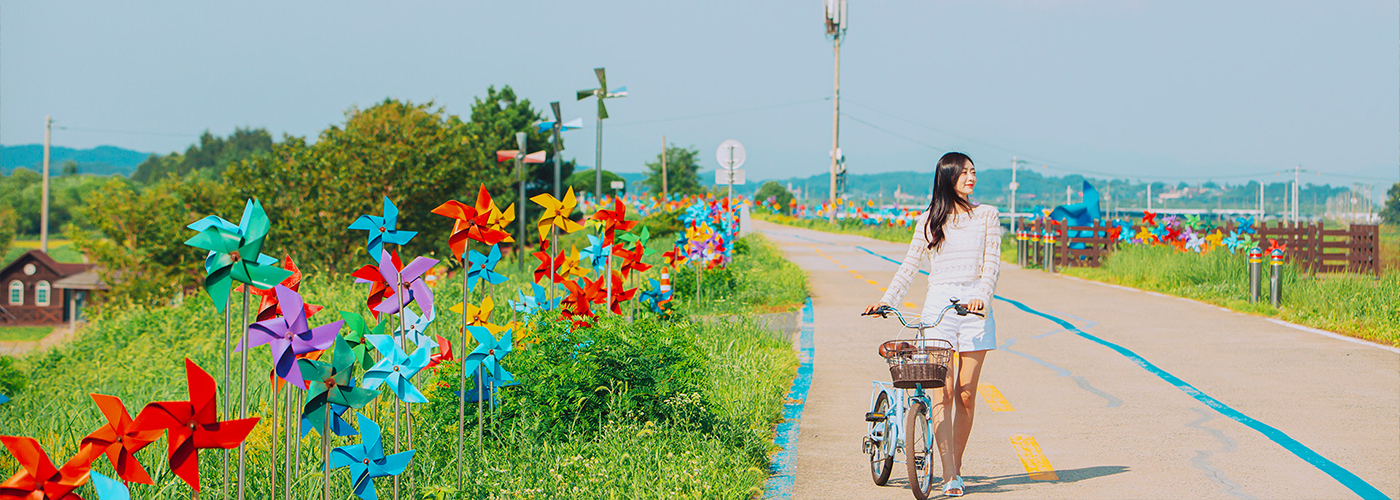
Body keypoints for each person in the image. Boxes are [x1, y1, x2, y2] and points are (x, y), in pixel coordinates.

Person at [863, 152, 1000, 497]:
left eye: (973, 171)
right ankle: (949, 473)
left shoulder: (987, 215)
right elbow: (909, 266)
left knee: (967, 395)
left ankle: (956, 465)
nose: (971, 177)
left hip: (975, 310)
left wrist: (981, 295)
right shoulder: (929, 221)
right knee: (944, 391)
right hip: (939, 305)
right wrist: (887, 301)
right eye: (964, 172)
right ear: (947, 177)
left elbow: (991, 265)